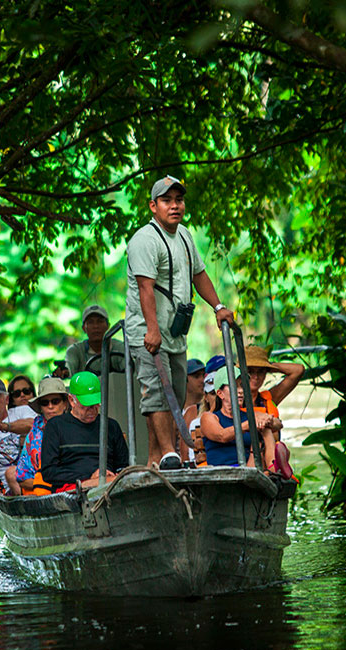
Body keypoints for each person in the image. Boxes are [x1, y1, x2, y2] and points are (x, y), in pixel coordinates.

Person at [125, 175, 234, 466]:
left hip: (175, 333)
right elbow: (145, 287)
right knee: (156, 393)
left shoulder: (184, 235)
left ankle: (155, 458)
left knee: (172, 393)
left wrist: (218, 306)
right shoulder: (144, 240)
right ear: (153, 206)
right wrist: (151, 330)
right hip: (147, 332)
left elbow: (198, 273)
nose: (175, 206)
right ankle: (170, 454)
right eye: (167, 201)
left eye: (179, 200)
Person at [38, 371, 129, 492]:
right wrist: (88, 478)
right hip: (73, 487)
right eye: (85, 405)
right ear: (71, 400)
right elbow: (49, 472)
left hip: (110, 484)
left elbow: (124, 466)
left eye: (95, 405)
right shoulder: (55, 426)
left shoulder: (111, 426)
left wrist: (107, 476)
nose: (92, 410)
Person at [199, 367, 281, 469]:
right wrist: (249, 424)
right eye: (234, 386)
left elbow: (279, 424)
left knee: (266, 429)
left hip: (250, 469)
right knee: (259, 430)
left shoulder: (250, 414)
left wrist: (267, 421)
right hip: (222, 474)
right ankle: (273, 470)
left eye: (242, 386)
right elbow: (222, 435)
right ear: (220, 393)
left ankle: (274, 470)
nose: (241, 391)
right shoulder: (209, 417)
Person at [5, 377, 69, 496]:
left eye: (55, 401)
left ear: (65, 403)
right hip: (43, 489)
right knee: (11, 473)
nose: (50, 406)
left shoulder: (76, 425)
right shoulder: (35, 433)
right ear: (40, 407)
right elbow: (23, 477)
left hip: (73, 484)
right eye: (45, 403)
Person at [243, 345, 305, 419]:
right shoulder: (230, 401)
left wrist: (269, 366)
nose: (256, 377)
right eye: (250, 371)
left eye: (260, 372)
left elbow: (298, 370)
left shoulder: (268, 400)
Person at [64, 305, 126, 377]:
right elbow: (69, 367)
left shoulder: (120, 348)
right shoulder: (75, 351)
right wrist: (64, 372)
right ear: (84, 328)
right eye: (90, 322)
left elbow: (130, 371)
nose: (95, 326)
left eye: (100, 321)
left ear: (108, 326)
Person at [179, 358, 206, 462]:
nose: (202, 380)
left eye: (203, 375)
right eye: (196, 376)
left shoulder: (207, 410)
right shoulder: (175, 413)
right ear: (184, 379)